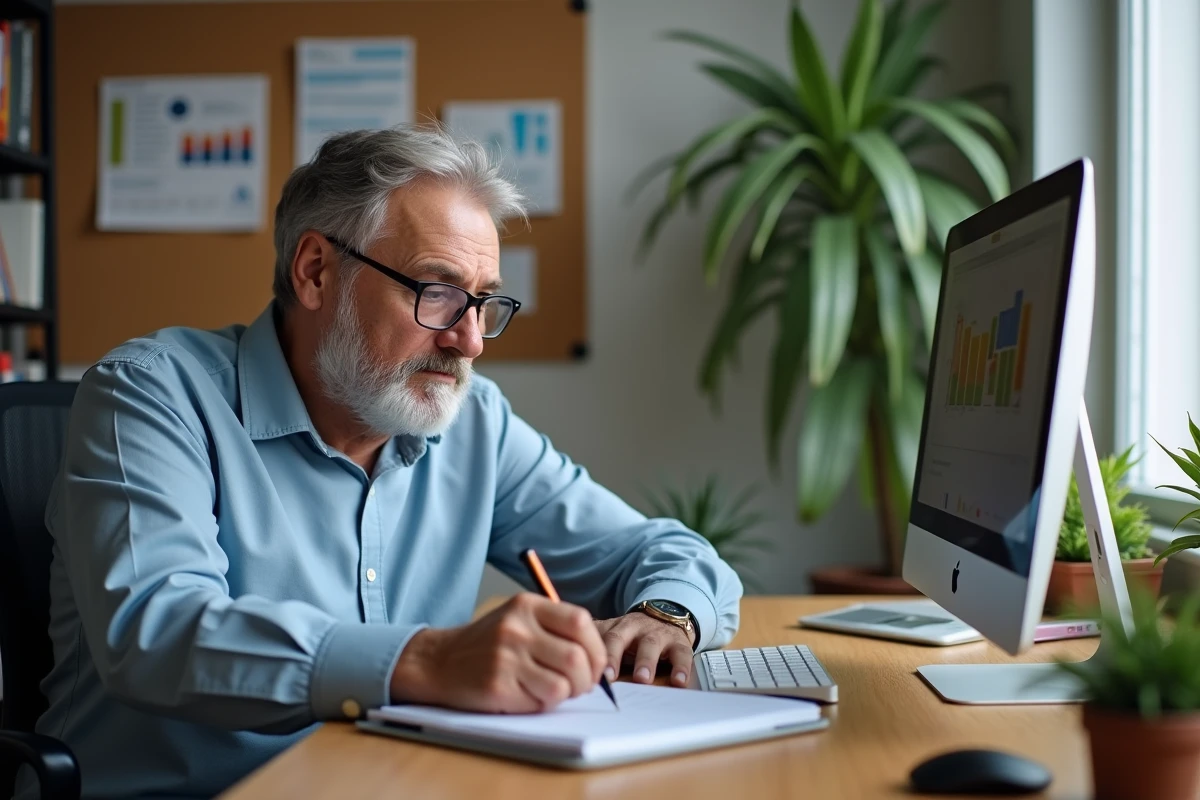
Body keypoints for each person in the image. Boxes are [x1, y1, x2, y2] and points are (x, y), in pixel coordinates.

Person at [19, 126, 743, 799]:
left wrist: (666, 613)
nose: (470, 341)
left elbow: (656, 551)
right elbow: (157, 632)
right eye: (437, 291)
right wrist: (426, 662)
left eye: (484, 303)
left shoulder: (473, 422)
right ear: (315, 272)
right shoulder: (152, 393)